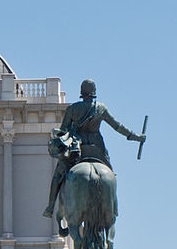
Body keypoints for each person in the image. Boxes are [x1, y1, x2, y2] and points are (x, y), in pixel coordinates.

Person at [43, 78, 143, 218]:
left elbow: (64, 131)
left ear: (82, 93)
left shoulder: (72, 109)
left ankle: (50, 207)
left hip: (78, 150)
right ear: (94, 92)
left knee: (58, 175)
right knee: (110, 174)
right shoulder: (101, 108)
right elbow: (117, 126)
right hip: (98, 148)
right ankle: (113, 207)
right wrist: (135, 136)